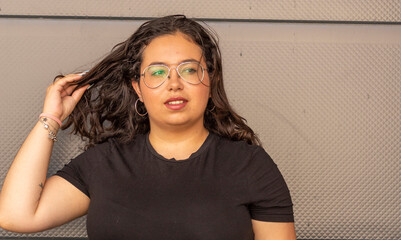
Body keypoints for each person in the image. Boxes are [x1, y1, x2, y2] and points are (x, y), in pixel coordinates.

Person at [0, 15, 295, 239]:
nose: (174, 84)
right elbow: (15, 216)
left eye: (189, 69)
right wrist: (52, 117)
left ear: (211, 79)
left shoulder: (250, 166)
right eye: (157, 72)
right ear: (137, 88)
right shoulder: (105, 163)